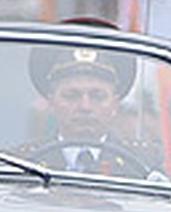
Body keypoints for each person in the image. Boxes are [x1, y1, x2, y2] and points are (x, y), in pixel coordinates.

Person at [25, 48, 153, 176]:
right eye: (71, 96)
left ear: (115, 104)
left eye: (98, 96)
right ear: (51, 102)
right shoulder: (23, 163)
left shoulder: (143, 164)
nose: (85, 107)